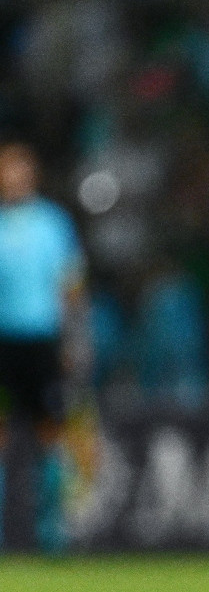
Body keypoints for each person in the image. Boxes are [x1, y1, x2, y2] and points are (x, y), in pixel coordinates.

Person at [0, 139, 87, 552]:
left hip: (43, 342)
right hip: (3, 342)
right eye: (6, 169)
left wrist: (74, 339)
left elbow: (70, 287)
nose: (12, 177)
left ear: (32, 174)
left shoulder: (53, 223)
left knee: (50, 432)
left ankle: (52, 532)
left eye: (19, 169)